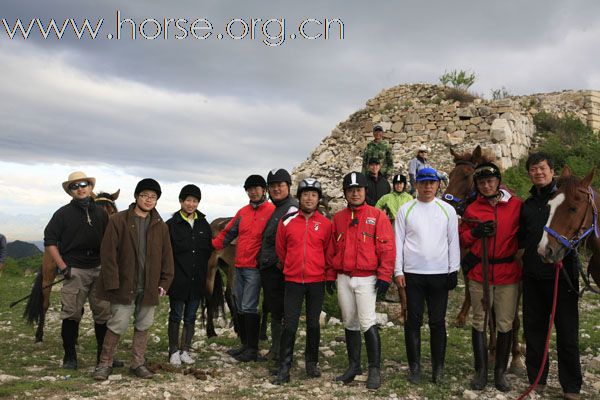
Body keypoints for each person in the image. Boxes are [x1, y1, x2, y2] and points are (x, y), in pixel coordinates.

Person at [94, 178, 174, 380]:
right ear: (137, 197)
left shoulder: (160, 226)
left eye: (153, 197)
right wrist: (112, 282)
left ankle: (137, 363)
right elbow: (108, 254)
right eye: (145, 195)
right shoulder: (118, 220)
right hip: (124, 285)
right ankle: (105, 363)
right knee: (116, 324)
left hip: (149, 286)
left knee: (144, 324)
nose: (148, 200)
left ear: (157, 201)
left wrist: (165, 283)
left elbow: (167, 257)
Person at [518, 153, 582, 399]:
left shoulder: (566, 199)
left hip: (562, 275)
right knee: (534, 332)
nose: (538, 173)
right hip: (533, 275)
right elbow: (522, 239)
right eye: (533, 169)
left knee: (567, 332)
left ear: (552, 171)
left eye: (542, 168)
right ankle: (537, 380)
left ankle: (571, 386)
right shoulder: (528, 205)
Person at [327, 171, 395, 390]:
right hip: (344, 277)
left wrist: (385, 276)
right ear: (345, 193)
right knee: (349, 321)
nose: (355, 193)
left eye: (358, 189)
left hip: (367, 278)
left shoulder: (377, 216)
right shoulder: (338, 218)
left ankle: (374, 369)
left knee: (367, 322)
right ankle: (354, 365)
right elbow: (331, 249)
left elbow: (386, 248)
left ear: (365, 191)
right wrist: (330, 275)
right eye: (350, 190)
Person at [458, 162, 522, 392]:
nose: (486, 186)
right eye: (482, 183)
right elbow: (462, 237)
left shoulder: (516, 206)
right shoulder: (472, 209)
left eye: (490, 181)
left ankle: (500, 372)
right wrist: (474, 233)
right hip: (480, 273)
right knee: (479, 321)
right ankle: (481, 370)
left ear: (498, 182)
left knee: (505, 322)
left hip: (507, 273)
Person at [394, 167, 460, 385]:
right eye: (423, 183)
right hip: (413, 274)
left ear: (438, 185)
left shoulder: (447, 210)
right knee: (413, 322)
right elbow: (398, 242)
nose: (428, 187)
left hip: (439, 274)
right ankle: (415, 368)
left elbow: (453, 241)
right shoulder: (406, 209)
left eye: (432, 183)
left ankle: (438, 368)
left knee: (437, 322)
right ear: (416, 185)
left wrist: (454, 269)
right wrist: (398, 270)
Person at [43, 171, 111, 370]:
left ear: (90, 188)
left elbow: (110, 241)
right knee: (71, 313)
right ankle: (70, 357)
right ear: (70, 191)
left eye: (83, 184)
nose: (80, 188)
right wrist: (63, 267)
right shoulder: (62, 214)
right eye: (75, 186)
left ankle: (103, 357)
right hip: (75, 269)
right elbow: (50, 241)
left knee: (103, 315)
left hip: (99, 268)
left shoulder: (101, 213)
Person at [272, 178, 332, 384]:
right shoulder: (286, 221)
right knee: (290, 324)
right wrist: (290, 265)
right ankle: (284, 367)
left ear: (318, 199)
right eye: (305, 194)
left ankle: (311, 364)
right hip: (293, 280)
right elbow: (281, 249)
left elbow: (328, 251)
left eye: (313, 195)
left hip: (316, 281)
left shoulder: (325, 224)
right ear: (299, 197)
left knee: (313, 324)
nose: (309, 198)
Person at [212, 174, 275, 362]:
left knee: (249, 305)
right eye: (250, 189)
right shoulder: (243, 212)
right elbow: (228, 232)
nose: (253, 192)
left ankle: (252, 348)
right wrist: (210, 245)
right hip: (239, 264)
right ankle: (245, 345)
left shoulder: (272, 211)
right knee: (239, 303)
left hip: (255, 267)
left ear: (264, 190)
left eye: (257, 188)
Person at [166, 184, 213, 366]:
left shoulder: (203, 224)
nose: (191, 204)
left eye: (195, 201)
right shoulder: (171, 225)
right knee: (176, 315)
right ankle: (173, 351)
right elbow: (166, 252)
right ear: (181, 201)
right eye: (188, 200)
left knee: (191, 316)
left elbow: (207, 250)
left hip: (197, 279)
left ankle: (185, 349)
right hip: (178, 279)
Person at [258, 168, 298, 365]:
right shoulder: (277, 208)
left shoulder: (291, 208)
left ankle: (282, 353)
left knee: (281, 311)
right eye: (272, 186)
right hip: (270, 268)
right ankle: (276, 349)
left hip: (278, 269)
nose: (276, 189)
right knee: (275, 309)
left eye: (279, 185)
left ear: (288, 187)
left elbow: (290, 240)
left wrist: (278, 264)